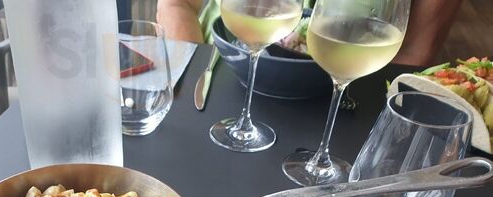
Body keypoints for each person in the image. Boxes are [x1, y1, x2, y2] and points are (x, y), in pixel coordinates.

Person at [156, 0, 464, 66]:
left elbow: (414, 54)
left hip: (339, 110)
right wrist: (188, 71)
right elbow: (176, 4)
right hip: (216, 82)